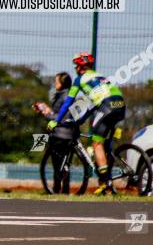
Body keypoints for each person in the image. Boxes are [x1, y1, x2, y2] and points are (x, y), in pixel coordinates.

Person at [49, 52, 126, 195]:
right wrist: (83, 118)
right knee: (104, 143)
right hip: (120, 104)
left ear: (79, 67)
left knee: (96, 143)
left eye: (76, 66)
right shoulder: (100, 77)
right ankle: (108, 172)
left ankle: (105, 183)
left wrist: (56, 120)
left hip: (107, 106)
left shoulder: (79, 80)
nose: (75, 68)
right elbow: (95, 102)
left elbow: (68, 102)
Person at [33, 72, 80, 194]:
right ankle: (62, 190)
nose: (55, 83)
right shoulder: (69, 96)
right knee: (63, 164)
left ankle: (58, 189)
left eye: (57, 81)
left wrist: (46, 113)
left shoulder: (62, 96)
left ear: (62, 83)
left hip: (60, 134)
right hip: (68, 133)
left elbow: (60, 117)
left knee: (58, 163)